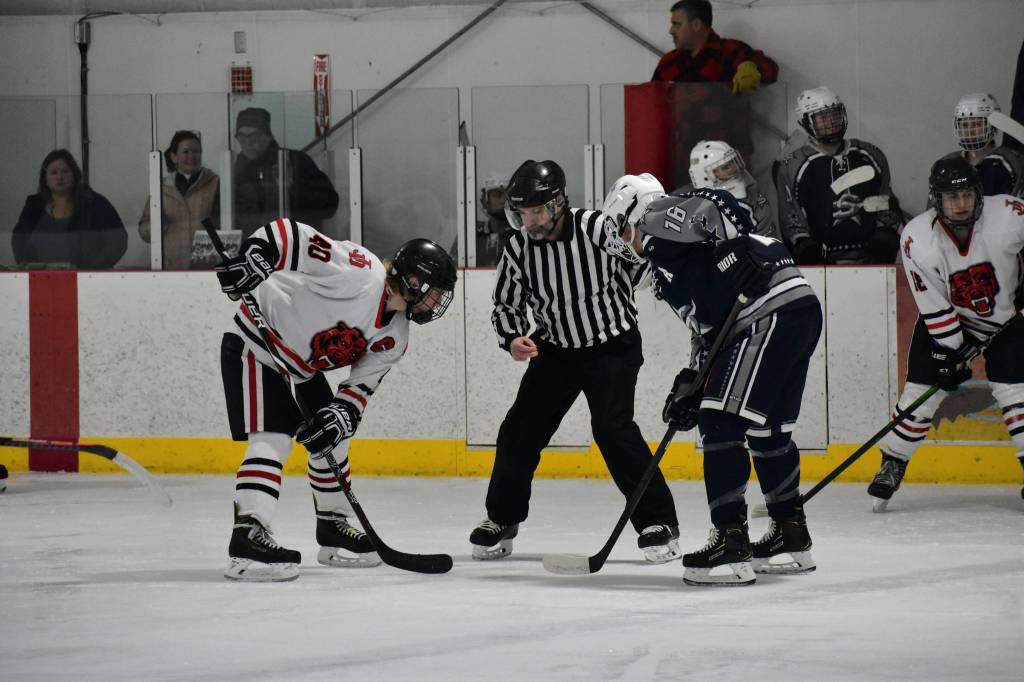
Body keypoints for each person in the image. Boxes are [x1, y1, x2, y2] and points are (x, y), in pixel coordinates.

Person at [601, 172, 822, 586]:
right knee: (769, 433)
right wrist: (692, 381)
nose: (620, 241)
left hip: (766, 310)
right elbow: (709, 331)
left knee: (720, 423)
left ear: (626, 215)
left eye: (618, 230)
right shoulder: (672, 263)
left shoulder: (655, 218)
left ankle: (729, 540)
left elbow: (719, 202)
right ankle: (790, 533)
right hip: (795, 307)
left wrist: (735, 249)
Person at [215, 219, 457, 581]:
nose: (436, 302)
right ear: (413, 280)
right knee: (274, 438)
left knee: (334, 436)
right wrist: (257, 253)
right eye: (434, 292)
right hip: (257, 343)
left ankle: (331, 524)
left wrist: (340, 415)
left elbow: (359, 390)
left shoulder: (396, 335)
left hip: (302, 367)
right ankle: (248, 534)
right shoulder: (360, 273)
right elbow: (299, 237)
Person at [469, 160, 680, 563]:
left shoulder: (598, 229)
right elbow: (506, 305)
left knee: (613, 430)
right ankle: (502, 519)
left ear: (559, 203)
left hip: (612, 345)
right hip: (556, 352)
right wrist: (512, 338)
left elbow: (639, 265)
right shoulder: (518, 248)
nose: (529, 220)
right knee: (518, 431)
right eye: (522, 212)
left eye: (537, 211)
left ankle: (659, 522)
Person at [867, 157, 1024, 511]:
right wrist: (951, 353)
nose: (961, 204)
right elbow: (932, 303)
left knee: (1018, 396)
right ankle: (893, 461)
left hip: (1008, 321)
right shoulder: (917, 239)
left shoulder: (1011, 215)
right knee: (920, 396)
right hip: (950, 321)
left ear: (979, 194)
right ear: (936, 200)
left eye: (967, 194)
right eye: (951, 197)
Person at [773, 86, 904, 265]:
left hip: (872, 262)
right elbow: (791, 217)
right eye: (823, 117)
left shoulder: (870, 154)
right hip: (821, 266)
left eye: (835, 114)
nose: (832, 121)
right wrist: (808, 251)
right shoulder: (791, 165)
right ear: (804, 122)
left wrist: (884, 239)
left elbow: (885, 201)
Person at [232, 107, 339, 240]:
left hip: (295, 246)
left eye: (253, 136)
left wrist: (293, 188)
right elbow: (223, 215)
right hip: (252, 248)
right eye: (242, 137)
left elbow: (329, 206)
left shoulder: (296, 162)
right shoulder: (235, 170)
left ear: (268, 136)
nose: (247, 143)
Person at [12, 149, 127, 269]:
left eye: (65, 171)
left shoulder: (96, 204)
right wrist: (29, 270)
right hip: (39, 281)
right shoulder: (33, 207)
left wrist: (91, 272)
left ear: (75, 175)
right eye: (53, 172)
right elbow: (18, 241)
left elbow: (118, 241)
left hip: (86, 282)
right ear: (44, 178)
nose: (59, 177)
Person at [651, 0, 778, 94]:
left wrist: (752, 67)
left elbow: (771, 70)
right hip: (677, 131)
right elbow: (651, 102)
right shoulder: (667, 62)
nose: (671, 30)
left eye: (676, 24)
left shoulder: (729, 51)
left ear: (696, 24)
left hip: (728, 130)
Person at [138, 130, 221, 269]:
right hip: (170, 269)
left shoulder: (215, 183)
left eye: (196, 151)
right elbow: (143, 230)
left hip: (207, 268)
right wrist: (157, 225)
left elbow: (226, 225)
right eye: (186, 152)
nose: (192, 156)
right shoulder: (161, 188)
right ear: (174, 156)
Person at [674, 139, 781, 240]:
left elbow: (770, 245)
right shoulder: (680, 203)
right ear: (704, 176)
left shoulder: (755, 199)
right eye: (725, 167)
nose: (734, 168)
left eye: (733, 162)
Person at [937, 93, 1023, 199]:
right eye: (964, 125)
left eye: (977, 124)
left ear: (992, 126)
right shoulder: (947, 163)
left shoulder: (1007, 162)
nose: (970, 131)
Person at [476, 172, 514, 265]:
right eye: (498, 194)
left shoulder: (523, 235)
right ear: (485, 199)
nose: (504, 200)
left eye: (508, 195)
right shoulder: (471, 234)